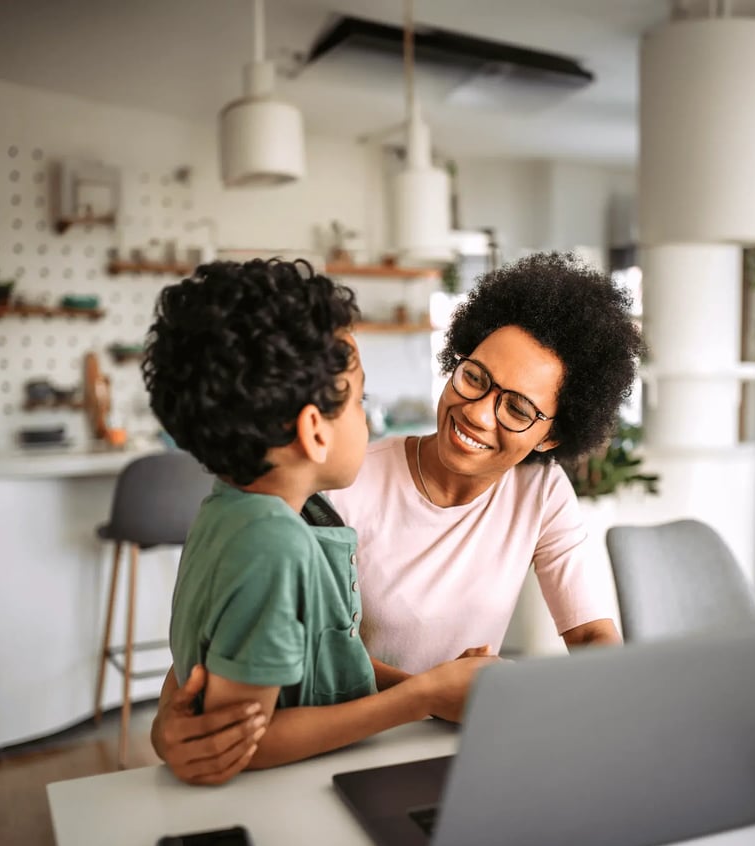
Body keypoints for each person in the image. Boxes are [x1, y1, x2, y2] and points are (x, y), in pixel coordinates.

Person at [152, 251, 642, 784]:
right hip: (335, 753)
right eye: (474, 377)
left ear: (551, 435)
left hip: (448, 751)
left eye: (518, 409)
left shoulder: (541, 491)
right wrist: (433, 694)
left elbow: (593, 639)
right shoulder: (328, 486)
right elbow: (249, 644)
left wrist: (609, 715)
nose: (479, 412)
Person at [143, 257, 494, 778]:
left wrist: (436, 687)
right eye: (359, 401)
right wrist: (419, 698)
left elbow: (326, 660)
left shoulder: (238, 510)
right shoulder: (271, 545)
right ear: (314, 431)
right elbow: (244, 744)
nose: (367, 419)